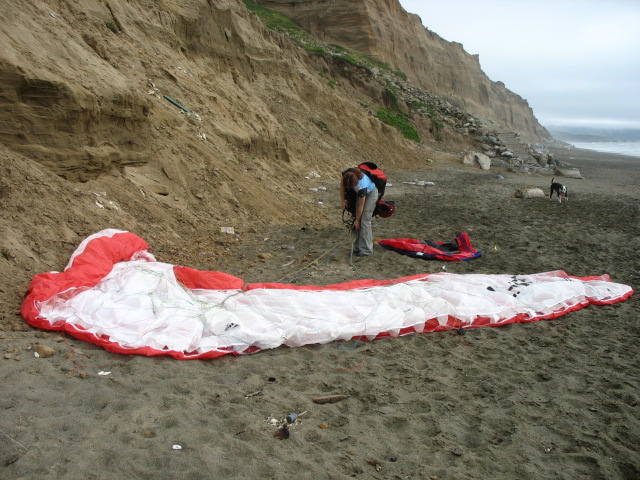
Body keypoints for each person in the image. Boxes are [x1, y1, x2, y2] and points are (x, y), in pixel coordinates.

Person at [340, 168, 378, 256]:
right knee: (357, 220)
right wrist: (343, 200)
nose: (349, 189)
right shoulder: (346, 175)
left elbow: (361, 206)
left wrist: (357, 220)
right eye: (348, 187)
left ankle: (366, 250)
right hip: (359, 194)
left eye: (351, 187)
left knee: (364, 220)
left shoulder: (362, 185)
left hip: (371, 193)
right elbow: (342, 186)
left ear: (355, 183)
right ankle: (358, 247)